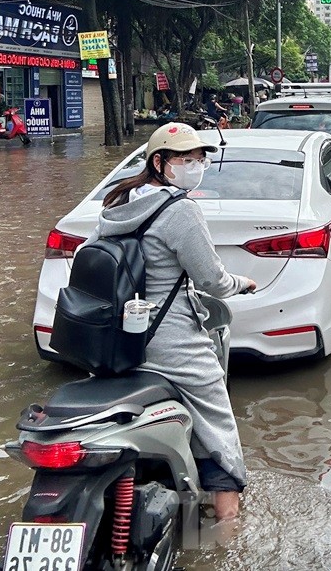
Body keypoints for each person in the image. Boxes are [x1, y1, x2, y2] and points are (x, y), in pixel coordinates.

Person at [88, 123, 257, 520]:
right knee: (217, 420)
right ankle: (228, 531)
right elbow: (211, 280)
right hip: (170, 340)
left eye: (199, 159)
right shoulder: (179, 210)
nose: (195, 166)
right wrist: (242, 283)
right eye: (185, 159)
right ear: (160, 162)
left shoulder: (118, 205)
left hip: (117, 338)